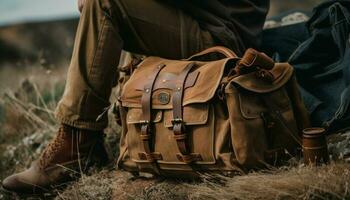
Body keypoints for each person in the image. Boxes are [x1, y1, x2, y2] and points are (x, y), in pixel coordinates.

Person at [2, 0, 269, 194]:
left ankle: (76, 143)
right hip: (205, 21)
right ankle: (102, 133)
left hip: (223, 36)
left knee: (104, 3)